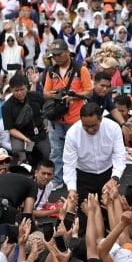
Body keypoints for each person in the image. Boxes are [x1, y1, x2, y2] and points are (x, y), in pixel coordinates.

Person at [43, 39, 93, 190]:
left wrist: (74, 96)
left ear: (67, 52)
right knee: (56, 151)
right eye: (54, 55)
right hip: (57, 117)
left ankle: (78, 179)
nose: (56, 58)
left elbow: (89, 92)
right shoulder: (51, 71)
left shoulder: (81, 69)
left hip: (75, 118)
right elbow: (45, 93)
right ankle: (57, 179)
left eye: (59, 54)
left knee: (78, 151)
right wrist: (54, 95)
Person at [63, 102, 126, 208]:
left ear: (100, 119)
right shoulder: (72, 133)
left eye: (93, 126)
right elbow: (69, 164)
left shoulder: (113, 128)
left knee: (109, 212)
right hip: (84, 176)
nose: (90, 129)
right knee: (85, 216)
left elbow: (119, 156)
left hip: (107, 174)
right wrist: (72, 189)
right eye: (86, 126)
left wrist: (114, 179)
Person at [1, 71, 49, 164]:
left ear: (26, 87)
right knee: (20, 155)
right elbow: (11, 129)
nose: (20, 93)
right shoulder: (7, 107)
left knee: (47, 154)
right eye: (16, 90)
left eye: (22, 89)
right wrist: (25, 139)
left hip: (40, 133)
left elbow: (48, 109)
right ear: (11, 90)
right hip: (21, 136)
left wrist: (47, 123)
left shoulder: (35, 96)